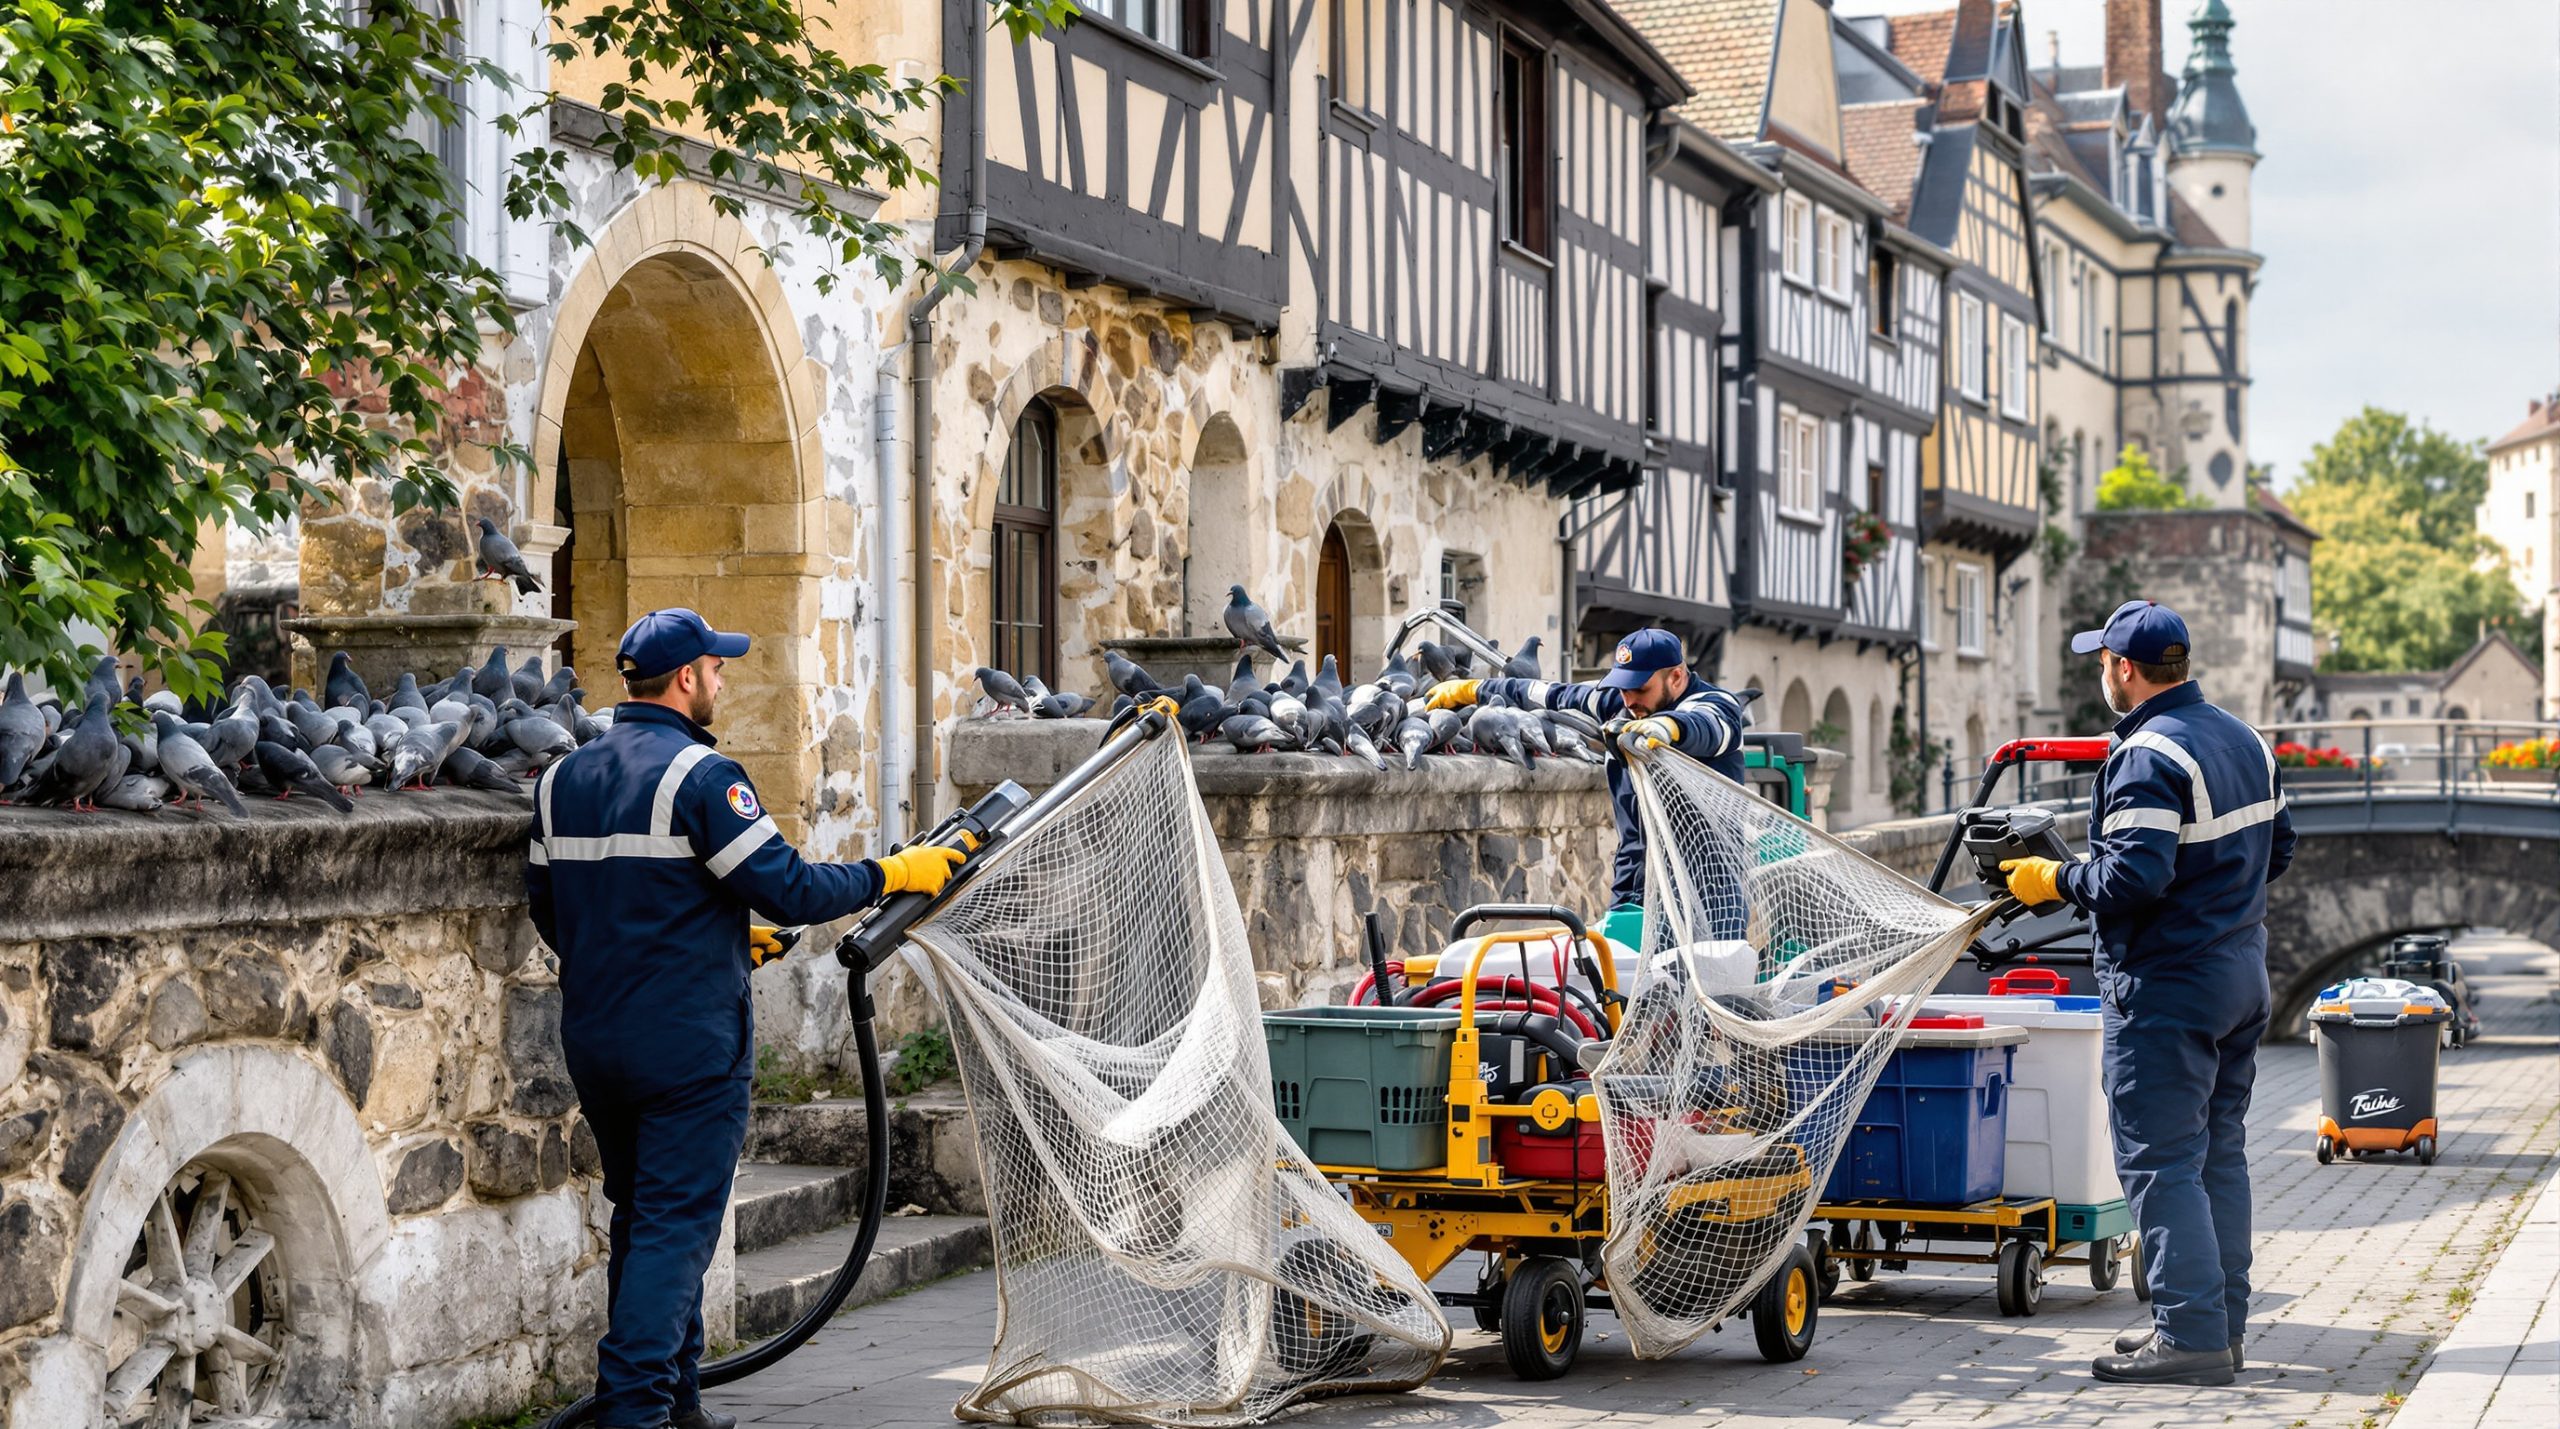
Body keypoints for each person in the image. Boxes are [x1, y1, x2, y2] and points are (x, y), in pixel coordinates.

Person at [525, 609, 970, 1429]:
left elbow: (559, 913)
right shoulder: (702, 777)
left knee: (646, 1216)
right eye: (716, 668)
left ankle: (678, 1403)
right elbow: (791, 887)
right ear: (687, 677)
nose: (723, 681)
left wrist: (722, 936)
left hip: (598, 1039)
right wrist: (892, 870)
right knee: (673, 1228)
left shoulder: (561, 779)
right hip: (689, 1046)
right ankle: (634, 1412)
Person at [1998, 599, 2294, 1388]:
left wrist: (2051, 877)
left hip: (2167, 988)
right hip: (2240, 973)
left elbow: (2133, 875)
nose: (2102, 671)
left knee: (2161, 1164)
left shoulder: (2147, 755)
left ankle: (2191, 1337)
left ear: (2123, 669)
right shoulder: (2245, 739)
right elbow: (2281, 847)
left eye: (2103, 661)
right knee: (2216, 1154)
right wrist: (2220, 909)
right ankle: (2213, 1325)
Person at [1425, 628, 1747, 925]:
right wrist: (1474, 689)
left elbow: (1708, 727)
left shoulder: (1716, 704)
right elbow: (1547, 693)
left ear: (1676, 677)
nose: (1629, 700)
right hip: (1635, 890)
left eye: (1640, 688)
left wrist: (1667, 727)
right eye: (1623, 690)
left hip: (1707, 897)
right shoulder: (1621, 706)